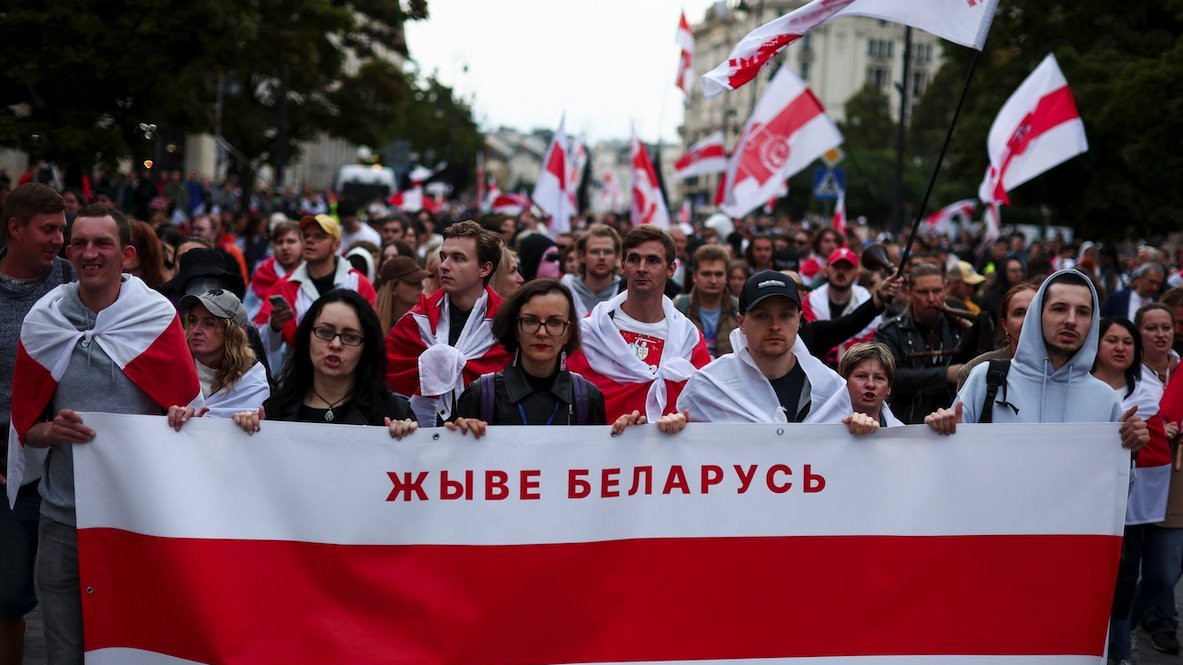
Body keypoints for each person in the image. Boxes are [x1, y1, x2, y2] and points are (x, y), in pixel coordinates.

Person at [8, 205, 201, 664]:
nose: (89, 254)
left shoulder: (155, 317)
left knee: (133, 648)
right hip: (62, 518)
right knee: (64, 652)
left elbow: (189, 418)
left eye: (102, 244)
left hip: (136, 519)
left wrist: (181, 418)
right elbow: (26, 431)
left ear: (127, 254)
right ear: (69, 251)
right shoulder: (44, 318)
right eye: (80, 243)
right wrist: (51, 430)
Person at [926, 270, 1149, 451]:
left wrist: (1129, 449)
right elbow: (951, 462)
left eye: (1082, 312)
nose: (1071, 320)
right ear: (1038, 315)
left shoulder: (1105, 400)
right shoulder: (985, 378)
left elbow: (1114, 491)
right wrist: (942, 430)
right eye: (1059, 309)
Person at [668, 271, 876, 435]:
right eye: (762, 316)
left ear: (799, 320)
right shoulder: (709, 385)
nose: (775, 326)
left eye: (785, 316)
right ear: (741, 322)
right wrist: (674, 431)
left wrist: (862, 432)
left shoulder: (831, 389)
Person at [0, 183, 71, 664]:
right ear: (15, 229)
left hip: (68, 462)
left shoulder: (71, 281)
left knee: (71, 594)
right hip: (6, 468)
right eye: (48, 230)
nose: (58, 241)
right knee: (8, 598)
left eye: (61, 230)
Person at [566, 225, 711, 422]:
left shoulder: (689, 340)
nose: (642, 268)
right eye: (634, 259)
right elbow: (570, 401)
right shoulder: (591, 333)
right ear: (623, 265)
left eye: (653, 261)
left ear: (671, 269)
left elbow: (703, 407)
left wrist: (679, 422)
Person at [232, 290, 417, 437]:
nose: (335, 344)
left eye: (350, 337)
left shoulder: (392, 411)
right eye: (325, 332)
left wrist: (410, 442)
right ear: (307, 337)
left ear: (366, 347)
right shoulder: (275, 411)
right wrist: (245, 433)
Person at [385, 221, 512, 426]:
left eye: (458, 259)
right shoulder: (415, 323)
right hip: (420, 450)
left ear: (484, 269)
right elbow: (385, 388)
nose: (443, 266)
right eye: (444, 257)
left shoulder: (508, 325)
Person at [447, 279, 606, 436]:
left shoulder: (588, 398)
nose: (542, 333)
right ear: (516, 329)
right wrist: (458, 436)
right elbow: (454, 458)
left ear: (568, 333)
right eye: (530, 321)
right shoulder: (480, 395)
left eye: (554, 322)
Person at [253, 214, 377, 371]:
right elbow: (261, 342)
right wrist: (275, 327)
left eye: (320, 236)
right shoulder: (284, 286)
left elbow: (374, 335)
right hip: (300, 377)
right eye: (306, 236)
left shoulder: (359, 284)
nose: (310, 241)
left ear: (336, 245)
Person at [874, 263, 978, 423]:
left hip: (955, 424)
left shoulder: (962, 328)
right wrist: (945, 374)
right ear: (909, 292)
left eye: (936, 291)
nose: (931, 298)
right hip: (906, 425)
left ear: (946, 289)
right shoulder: (890, 331)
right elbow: (889, 378)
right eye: (923, 292)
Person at [170, 289, 270, 421]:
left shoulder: (250, 378)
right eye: (193, 321)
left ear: (231, 333)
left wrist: (249, 422)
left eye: (209, 324)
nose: (195, 330)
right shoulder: (171, 367)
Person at [802, 247, 880, 366]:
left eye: (847, 268)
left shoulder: (867, 301)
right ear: (826, 268)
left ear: (857, 272)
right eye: (836, 266)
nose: (841, 272)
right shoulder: (810, 302)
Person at [956, 282, 1038, 390]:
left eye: (1033, 311)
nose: (1026, 320)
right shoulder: (975, 370)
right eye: (1018, 313)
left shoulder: (1061, 367)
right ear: (1005, 324)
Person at [674, 244, 739, 358]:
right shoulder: (677, 308)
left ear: (726, 277)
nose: (713, 280)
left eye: (718, 274)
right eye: (706, 274)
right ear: (694, 276)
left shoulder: (740, 310)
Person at [243, 219, 303, 320]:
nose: (284, 247)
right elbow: (247, 316)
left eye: (291, 241)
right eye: (279, 242)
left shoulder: (313, 272)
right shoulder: (262, 273)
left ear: (303, 244)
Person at [561, 224, 622, 318]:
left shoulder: (627, 292)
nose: (602, 257)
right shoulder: (566, 291)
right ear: (582, 256)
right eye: (595, 252)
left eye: (608, 252)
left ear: (616, 256)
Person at [838, 342, 904, 427]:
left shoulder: (905, 437)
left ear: (889, 388)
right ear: (844, 382)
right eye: (861, 376)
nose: (870, 384)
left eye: (879, 378)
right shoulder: (824, 425)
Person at [374, 256, 428, 334]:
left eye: (420, 281)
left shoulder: (425, 322)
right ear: (393, 288)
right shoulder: (372, 324)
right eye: (413, 282)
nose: (421, 287)